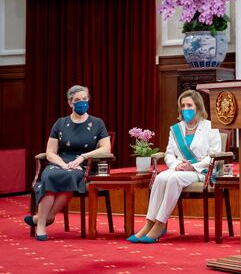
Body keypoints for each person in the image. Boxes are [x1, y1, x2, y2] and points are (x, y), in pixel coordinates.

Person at [127, 90, 221, 244]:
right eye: (182, 106)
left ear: (198, 106)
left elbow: (214, 154)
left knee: (174, 179)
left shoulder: (210, 127)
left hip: (202, 171)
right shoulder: (175, 129)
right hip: (180, 170)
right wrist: (177, 165)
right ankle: (149, 223)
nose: (186, 109)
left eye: (189, 105)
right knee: (160, 178)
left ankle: (160, 224)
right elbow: (169, 154)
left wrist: (192, 167)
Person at [24, 85, 111, 241]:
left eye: (85, 99)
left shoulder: (97, 123)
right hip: (60, 162)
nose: (82, 103)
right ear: (70, 103)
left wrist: (84, 157)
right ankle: (43, 224)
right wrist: (63, 164)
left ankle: (45, 218)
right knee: (50, 175)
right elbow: (50, 152)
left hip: (84, 165)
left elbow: (106, 148)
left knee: (71, 177)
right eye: (77, 100)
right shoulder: (60, 123)